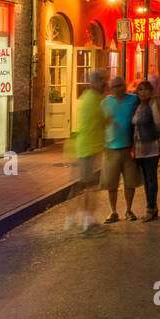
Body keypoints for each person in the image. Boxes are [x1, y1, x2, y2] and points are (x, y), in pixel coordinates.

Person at [100, 77, 141, 223]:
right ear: (111, 88)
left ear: (125, 86)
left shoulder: (134, 100)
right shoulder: (105, 103)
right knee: (111, 183)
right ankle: (113, 211)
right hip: (110, 148)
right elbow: (100, 123)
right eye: (115, 86)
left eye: (121, 85)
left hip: (129, 148)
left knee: (130, 182)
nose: (118, 88)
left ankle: (129, 209)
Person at [72, 70, 107, 233]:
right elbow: (102, 121)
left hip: (91, 147)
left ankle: (86, 218)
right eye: (102, 81)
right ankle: (85, 220)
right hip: (87, 148)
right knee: (88, 185)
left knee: (90, 184)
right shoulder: (92, 100)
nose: (105, 84)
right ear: (95, 82)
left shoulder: (93, 98)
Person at [132, 80, 160, 222]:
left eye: (146, 89)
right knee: (146, 179)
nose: (143, 92)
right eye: (140, 89)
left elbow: (158, 126)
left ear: (151, 92)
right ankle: (153, 207)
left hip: (151, 148)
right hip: (139, 148)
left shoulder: (153, 106)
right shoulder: (138, 106)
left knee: (151, 178)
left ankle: (150, 208)